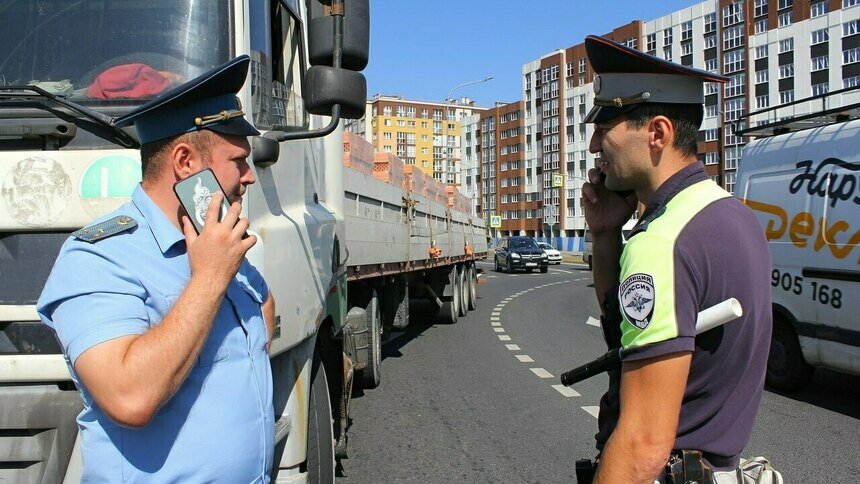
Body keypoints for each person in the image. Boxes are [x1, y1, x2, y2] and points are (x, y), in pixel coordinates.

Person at [37, 55, 276, 482]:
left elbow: (263, 321)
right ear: (185, 163)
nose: (249, 177)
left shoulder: (216, 241)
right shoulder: (98, 257)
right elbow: (131, 399)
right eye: (237, 161)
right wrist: (208, 279)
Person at [580, 36, 772, 483]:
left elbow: (643, 444)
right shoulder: (734, 216)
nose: (593, 145)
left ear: (658, 134)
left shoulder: (663, 240)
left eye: (605, 126)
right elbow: (625, 332)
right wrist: (606, 234)